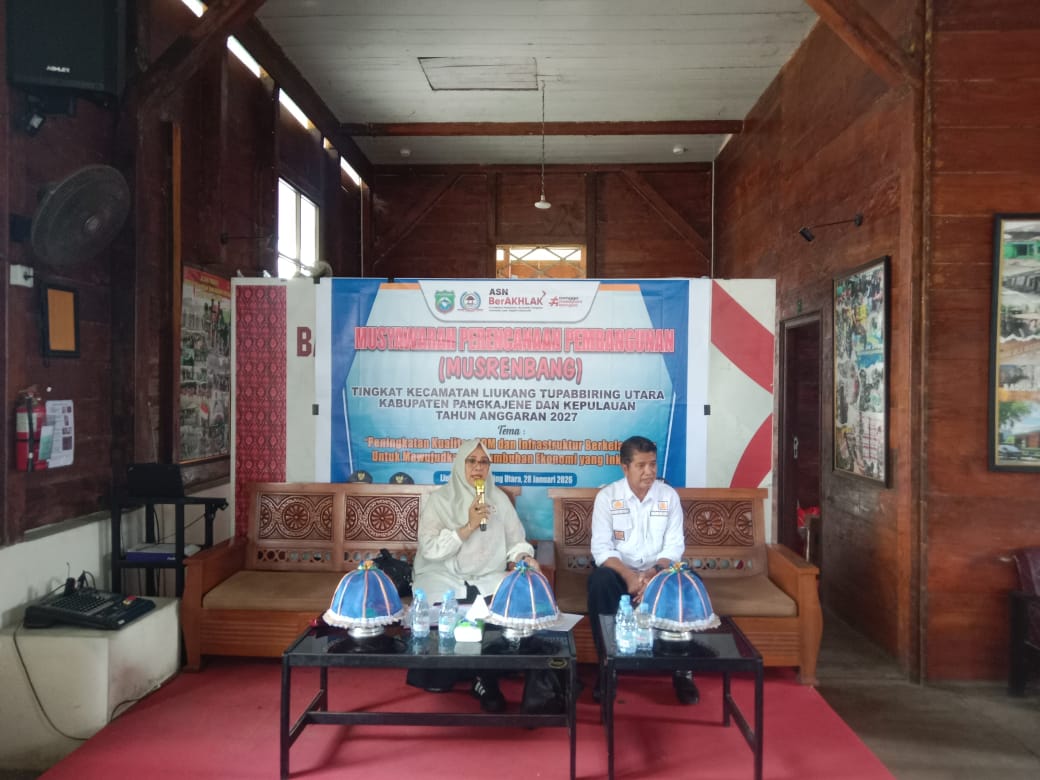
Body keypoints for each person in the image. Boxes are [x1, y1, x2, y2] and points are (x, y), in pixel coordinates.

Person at [409, 438, 540, 712]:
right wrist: (467, 526)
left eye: (483, 462)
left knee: (505, 600)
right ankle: (464, 674)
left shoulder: (499, 500)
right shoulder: (439, 500)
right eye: (471, 461)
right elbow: (430, 549)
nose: (478, 467)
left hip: (487, 575)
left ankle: (485, 677)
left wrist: (523, 558)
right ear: (460, 464)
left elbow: (516, 541)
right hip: (443, 574)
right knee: (443, 608)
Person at [586, 435, 700, 705]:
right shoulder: (607, 497)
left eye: (653, 464)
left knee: (687, 582)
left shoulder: (668, 496)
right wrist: (629, 577)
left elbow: (674, 546)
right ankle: (608, 668)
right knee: (600, 582)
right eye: (641, 465)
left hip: (657, 572)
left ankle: (682, 670)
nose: (649, 472)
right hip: (619, 573)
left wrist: (652, 576)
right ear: (625, 467)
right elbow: (601, 549)